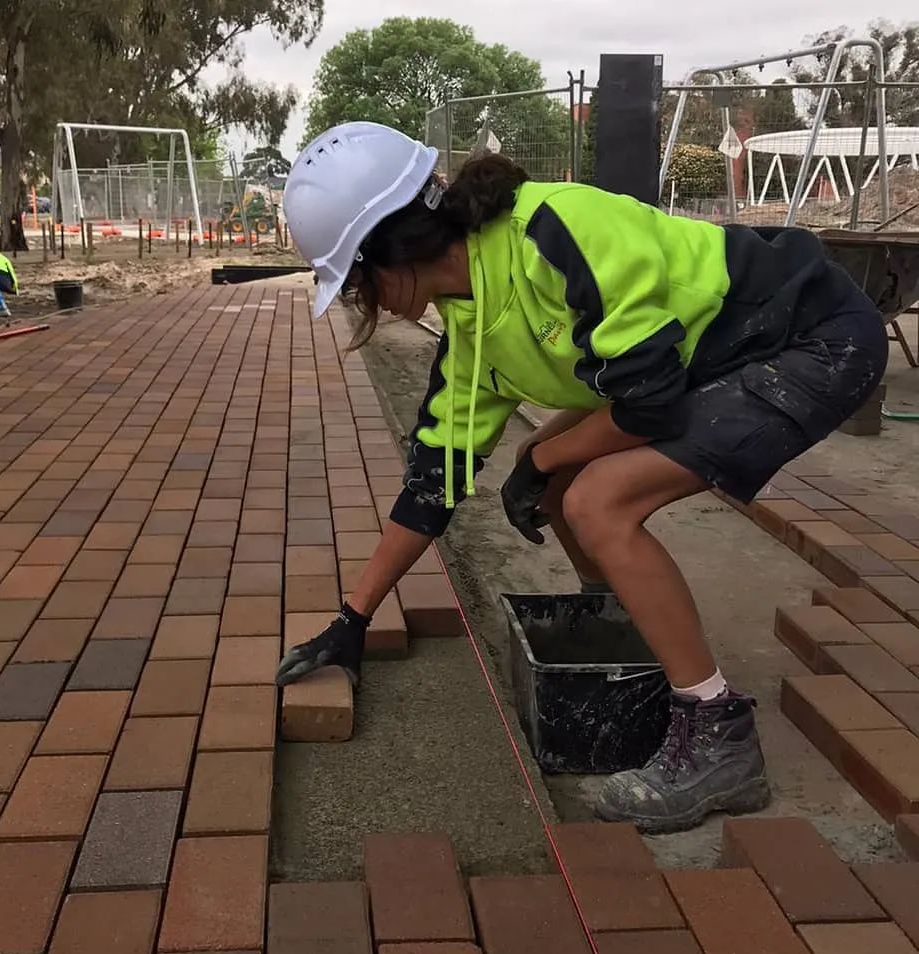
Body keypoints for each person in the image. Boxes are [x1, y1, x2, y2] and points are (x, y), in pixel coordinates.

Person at [275, 121, 887, 834]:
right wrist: (353, 620)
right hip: (713, 360)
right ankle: (635, 639)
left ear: (390, 248)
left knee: (596, 499)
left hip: (810, 338)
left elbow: (650, 405)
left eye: (355, 282)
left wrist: (542, 458)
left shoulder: (557, 230)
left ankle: (716, 731)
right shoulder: (470, 332)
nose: (362, 302)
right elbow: (430, 487)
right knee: (560, 479)